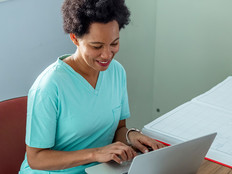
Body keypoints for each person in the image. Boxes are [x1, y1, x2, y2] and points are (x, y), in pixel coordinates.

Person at [19, 0, 165, 173]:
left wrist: (130, 136)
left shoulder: (116, 72)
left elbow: (118, 129)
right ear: (75, 38)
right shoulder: (49, 86)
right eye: (97, 46)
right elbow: (36, 158)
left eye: (114, 43)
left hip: (101, 169)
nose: (107, 55)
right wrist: (95, 154)